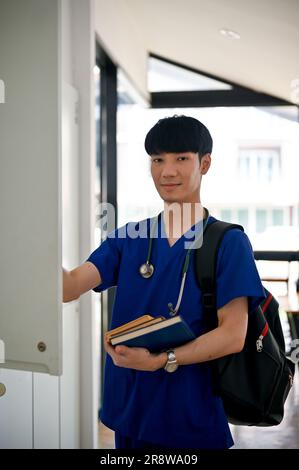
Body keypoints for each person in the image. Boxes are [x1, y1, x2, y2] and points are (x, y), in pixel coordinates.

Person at [63, 115, 266, 449]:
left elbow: (232, 336)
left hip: (191, 415)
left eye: (181, 159)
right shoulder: (128, 238)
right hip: (131, 410)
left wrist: (162, 360)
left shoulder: (228, 242)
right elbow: (69, 287)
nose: (167, 171)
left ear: (205, 163)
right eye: (158, 160)